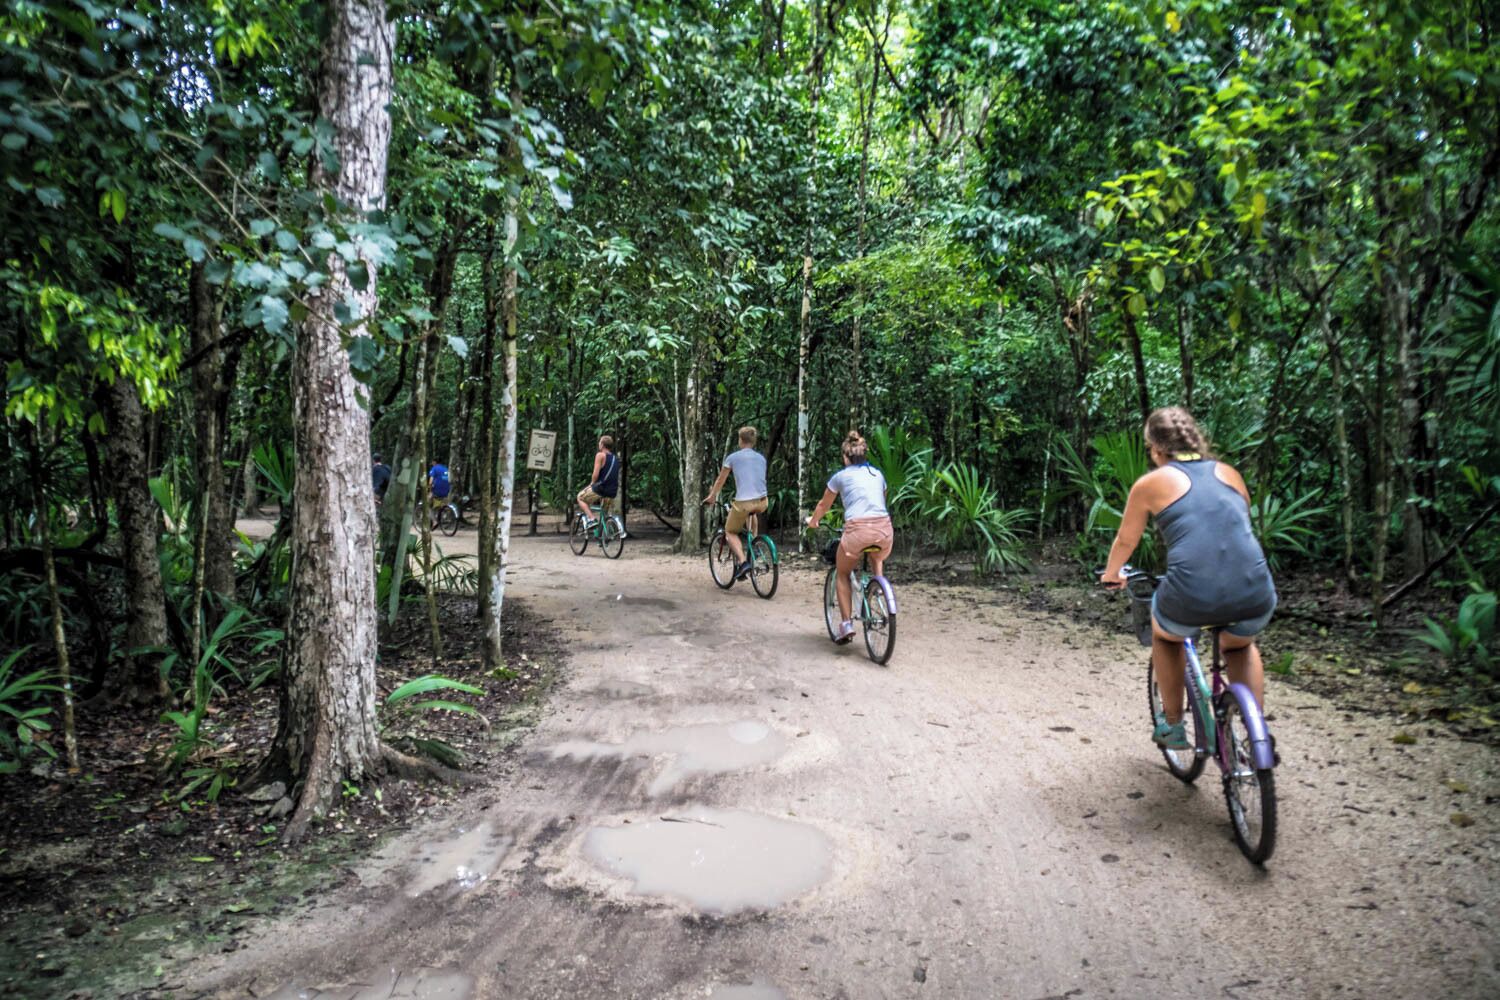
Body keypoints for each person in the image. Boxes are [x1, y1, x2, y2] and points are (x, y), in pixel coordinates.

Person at [1100, 407, 1276, 750]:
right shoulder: (1229, 473)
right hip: (1255, 588)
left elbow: (1126, 541)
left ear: (1155, 447)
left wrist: (1112, 574)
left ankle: (1174, 725)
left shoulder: (1150, 483)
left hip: (1193, 593)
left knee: (1166, 636)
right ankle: (1256, 739)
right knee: (1239, 644)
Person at [806, 430, 894, 644]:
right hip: (884, 531)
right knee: (876, 553)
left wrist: (814, 521)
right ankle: (878, 586)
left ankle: (846, 624)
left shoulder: (840, 477)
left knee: (843, 571)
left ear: (846, 457)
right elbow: (881, 500)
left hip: (857, 531)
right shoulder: (878, 474)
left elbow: (823, 505)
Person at [704, 426, 769, 581]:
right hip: (763, 501)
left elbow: (721, 479)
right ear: (753, 441)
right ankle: (754, 545)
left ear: (740, 440)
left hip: (744, 503)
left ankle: (743, 561)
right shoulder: (761, 458)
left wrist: (712, 496)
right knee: (751, 513)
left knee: (730, 531)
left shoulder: (733, 458)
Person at [575, 435, 621, 529]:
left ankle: (591, 519)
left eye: (600, 442)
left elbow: (595, 475)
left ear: (603, 445)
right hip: (612, 491)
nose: (599, 444)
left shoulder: (600, 455)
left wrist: (591, 484)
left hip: (601, 488)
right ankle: (603, 538)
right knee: (604, 514)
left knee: (580, 497)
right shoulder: (615, 458)